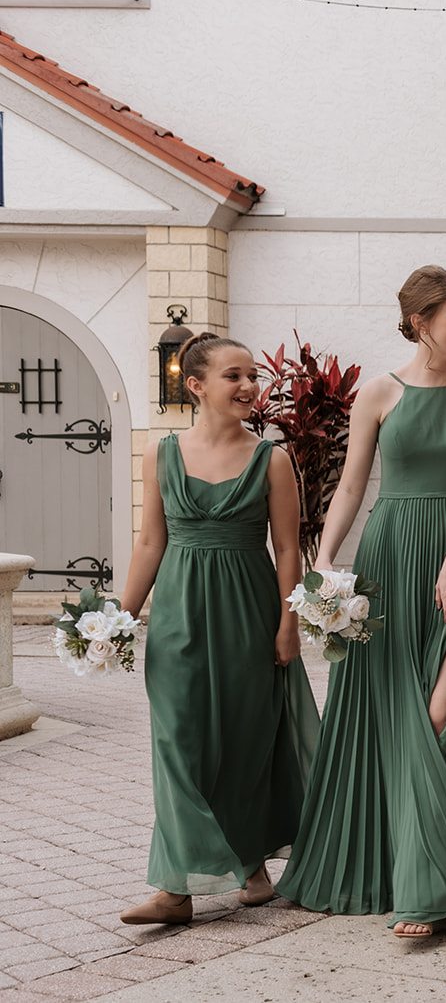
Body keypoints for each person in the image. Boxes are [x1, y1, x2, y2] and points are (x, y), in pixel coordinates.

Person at [278, 265, 446, 939]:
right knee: (388, 713)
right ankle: (412, 879)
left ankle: (441, 876)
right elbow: (353, 487)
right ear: (420, 322)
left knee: (445, 710)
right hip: (388, 556)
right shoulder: (379, 392)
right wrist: (326, 563)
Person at [118, 333, 318, 926]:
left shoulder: (271, 459)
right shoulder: (161, 455)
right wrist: (118, 618)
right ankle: (175, 889)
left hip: (248, 612)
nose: (249, 386)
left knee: (244, 740)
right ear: (196, 385)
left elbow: (287, 550)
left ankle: (251, 867)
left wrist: (289, 624)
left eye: (252, 375)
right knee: (177, 742)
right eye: (234, 376)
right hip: (179, 614)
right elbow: (151, 540)